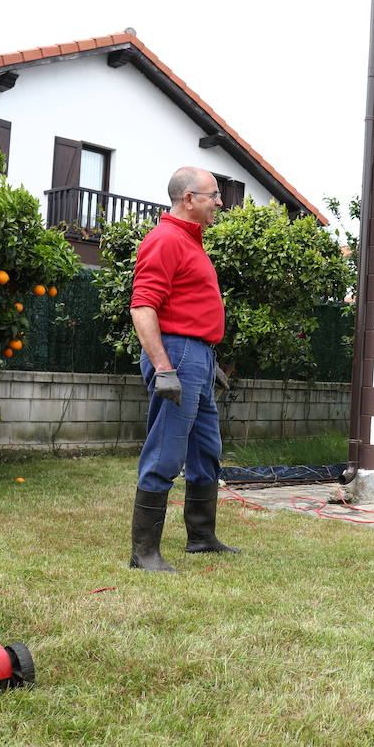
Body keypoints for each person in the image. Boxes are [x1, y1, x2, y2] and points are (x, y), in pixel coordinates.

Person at [127, 166, 239, 572]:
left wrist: (209, 364)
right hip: (178, 356)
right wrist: (164, 368)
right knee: (166, 450)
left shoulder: (190, 241)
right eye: (213, 195)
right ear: (188, 198)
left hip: (198, 358)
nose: (220, 202)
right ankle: (144, 553)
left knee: (206, 450)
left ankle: (201, 537)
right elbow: (143, 307)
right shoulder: (165, 240)